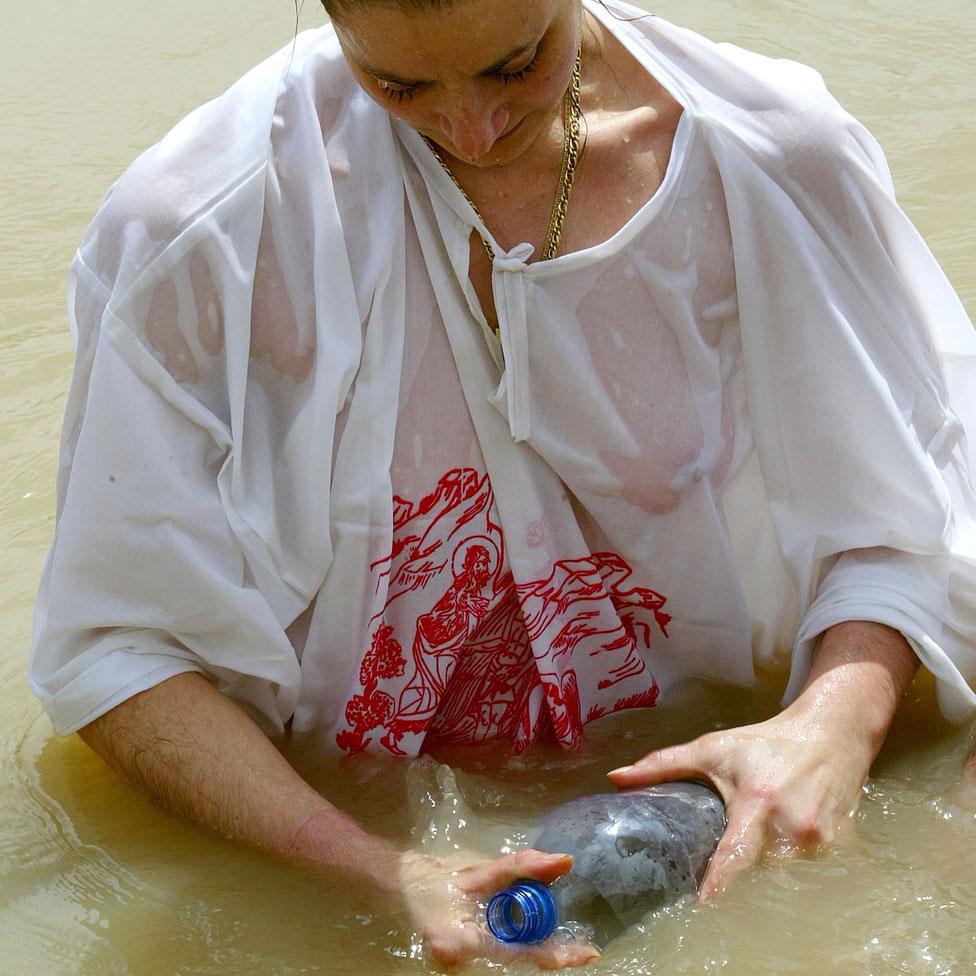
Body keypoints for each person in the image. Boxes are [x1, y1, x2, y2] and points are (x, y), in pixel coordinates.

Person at [28, 0, 976, 966]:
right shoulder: (200, 231)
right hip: (353, 830)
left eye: (516, 65)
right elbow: (117, 655)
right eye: (398, 85)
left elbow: (925, 525)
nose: (470, 129)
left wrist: (826, 728)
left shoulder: (768, 161)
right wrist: (376, 870)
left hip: (707, 794)